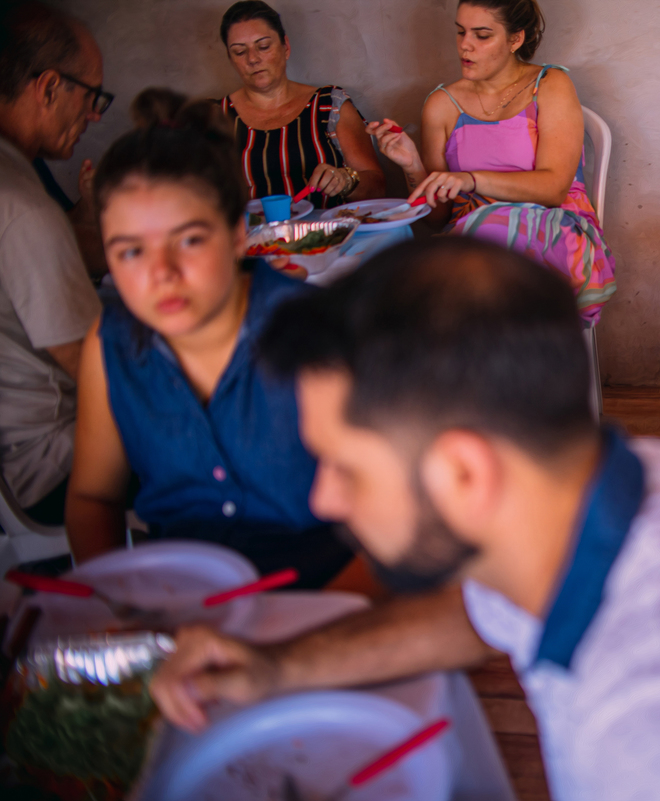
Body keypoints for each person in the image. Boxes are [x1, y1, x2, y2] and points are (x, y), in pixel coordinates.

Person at [149, 238, 660, 800]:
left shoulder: (657, 738)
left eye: (346, 465)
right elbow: (483, 613)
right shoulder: (631, 480)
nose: (323, 498)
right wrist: (275, 668)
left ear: (466, 472)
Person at [64, 98, 377, 595]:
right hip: (184, 608)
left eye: (188, 241)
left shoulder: (312, 333)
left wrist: (305, 639)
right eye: (130, 251)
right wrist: (117, 602)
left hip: (322, 603)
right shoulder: (113, 347)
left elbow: (392, 519)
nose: (161, 274)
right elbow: (93, 497)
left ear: (237, 235)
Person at [366, 0, 616, 323]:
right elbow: (438, 217)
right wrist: (412, 163)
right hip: (473, 241)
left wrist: (471, 179)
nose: (465, 45)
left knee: (475, 251)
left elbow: (554, 189)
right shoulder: (442, 105)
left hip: (559, 235)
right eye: (460, 32)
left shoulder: (551, 85)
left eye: (482, 35)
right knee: (428, 268)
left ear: (516, 40)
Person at [0, 2, 104, 525]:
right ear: (47, 88)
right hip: (52, 463)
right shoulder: (22, 206)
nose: (94, 116)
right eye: (92, 97)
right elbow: (97, 371)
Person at [217, 1, 384, 207]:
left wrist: (346, 181)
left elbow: (377, 188)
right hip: (252, 238)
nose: (253, 59)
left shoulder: (328, 105)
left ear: (285, 47)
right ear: (230, 58)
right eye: (240, 52)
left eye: (263, 46)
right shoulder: (214, 117)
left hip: (331, 235)